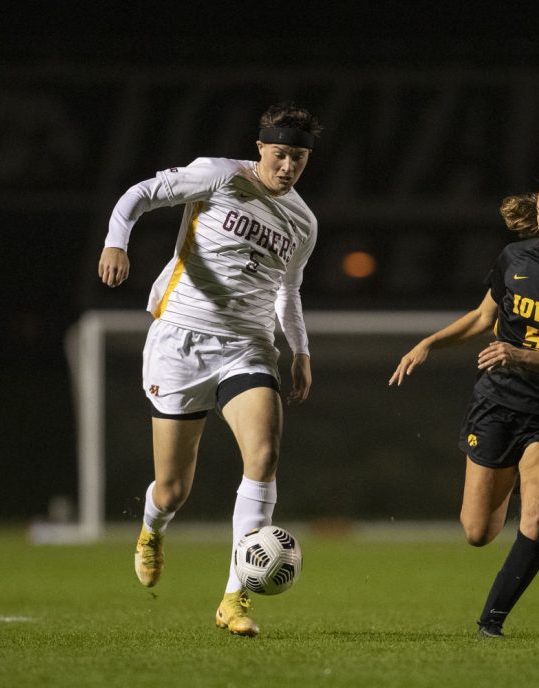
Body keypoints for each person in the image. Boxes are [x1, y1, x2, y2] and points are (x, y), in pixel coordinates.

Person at [97, 102, 323, 638]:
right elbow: (139, 195)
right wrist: (115, 241)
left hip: (248, 347)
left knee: (264, 455)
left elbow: (287, 291)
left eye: (300, 157)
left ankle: (234, 599)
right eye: (281, 153)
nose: (288, 166)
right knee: (174, 489)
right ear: (262, 147)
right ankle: (153, 528)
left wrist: (300, 350)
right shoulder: (220, 175)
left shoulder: (304, 222)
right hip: (181, 341)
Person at [389, 174, 539, 638]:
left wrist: (520, 354)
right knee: (478, 532)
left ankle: (491, 623)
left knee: (537, 518)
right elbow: (482, 317)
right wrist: (430, 342)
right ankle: (516, 474)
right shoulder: (515, 258)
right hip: (497, 404)